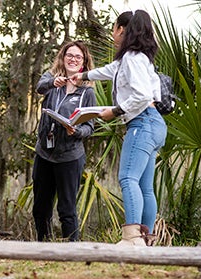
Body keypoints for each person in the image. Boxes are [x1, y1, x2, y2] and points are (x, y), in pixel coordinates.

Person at [70, 10, 167, 246]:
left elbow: (142, 96)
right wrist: (80, 76)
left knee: (127, 178)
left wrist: (114, 111)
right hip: (154, 124)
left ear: (121, 30)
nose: (113, 34)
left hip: (142, 122)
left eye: (114, 29)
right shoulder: (138, 58)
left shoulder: (132, 58)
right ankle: (146, 240)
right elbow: (108, 71)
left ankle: (132, 239)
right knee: (145, 187)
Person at [33, 40, 96, 242]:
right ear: (63, 57)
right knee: (40, 208)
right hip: (45, 153)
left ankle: (73, 251)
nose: (73, 59)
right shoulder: (51, 78)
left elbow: (90, 127)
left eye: (78, 57)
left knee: (67, 210)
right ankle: (44, 246)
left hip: (69, 157)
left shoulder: (87, 92)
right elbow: (39, 88)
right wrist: (53, 82)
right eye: (70, 55)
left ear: (84, 63)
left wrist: (76, 131)